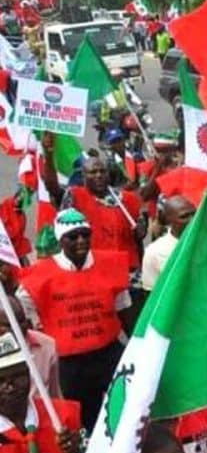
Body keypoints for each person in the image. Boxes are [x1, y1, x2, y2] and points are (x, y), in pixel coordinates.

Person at [17, 210, 129, 431]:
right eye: (73, 236)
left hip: (109, 354)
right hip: (70, 364)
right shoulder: (40, 275)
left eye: (85, 235)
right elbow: (24, 307)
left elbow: (123, 308)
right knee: (82, 418)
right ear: (60, 240)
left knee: (121, 410)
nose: (81, 241)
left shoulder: (110, 264)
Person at [61, 155, 145, 278]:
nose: (99, 175)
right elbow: (64, 232)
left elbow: (140, 233)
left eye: (102, 171)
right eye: (93, 172)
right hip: (92, 269)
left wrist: (141, 231)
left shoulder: (128, 199)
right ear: (84, 176)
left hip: (126, 269)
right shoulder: (75, 196)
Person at [0, 297, 61, 399]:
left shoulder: (47, 345)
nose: (18, 328)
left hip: (39, 412)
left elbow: (54, 395)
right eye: (10, 325)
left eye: (22, 322)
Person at [141, 195, 195, 292]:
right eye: (184, 216)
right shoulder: (154, 252)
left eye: (194, 214)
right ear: (169, 220)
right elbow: (151, 294)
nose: (192, 220)